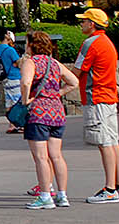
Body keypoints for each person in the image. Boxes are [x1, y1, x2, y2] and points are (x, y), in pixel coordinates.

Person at [18, 28, 77, 209]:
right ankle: (62, 195)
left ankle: (45, 195)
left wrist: (26, 99)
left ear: (31, 45)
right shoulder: (55, 63)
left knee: (41, 157)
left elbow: (26, 82)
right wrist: (57, 93)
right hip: (57, 113)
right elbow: (73, 82)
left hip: (39, 113)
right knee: (56, 156)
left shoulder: (31, 62)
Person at [78, 8, 119, 203]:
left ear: (92, 24)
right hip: (109, 96)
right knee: (113, 141)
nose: (81, 24)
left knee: (104, 142)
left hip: (95, 97)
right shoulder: (108, 43)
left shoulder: (90, 43)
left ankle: (110, 189)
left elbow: (77, 71)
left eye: (84, 21)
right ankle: (118, 185)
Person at [0, 29, 23, 106]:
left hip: (6, 78)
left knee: (9, 102)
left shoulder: (0, 48)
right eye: (8, 33)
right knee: (17, 102)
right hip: (14, 77)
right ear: (5, 36)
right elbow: (18, 63)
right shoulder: (10, 50)